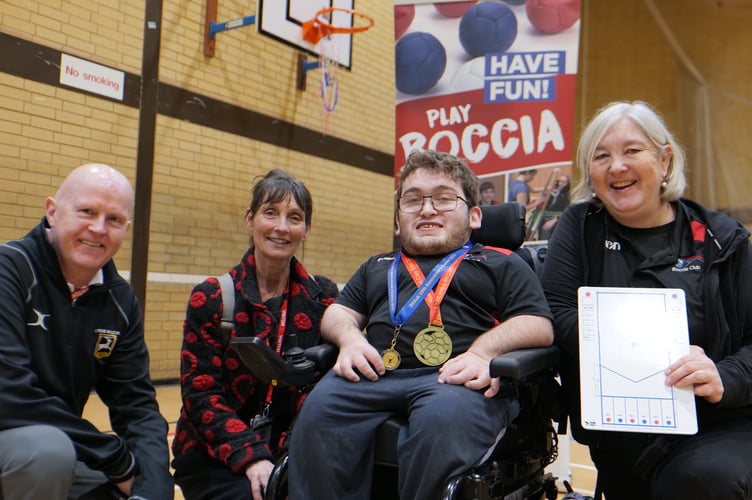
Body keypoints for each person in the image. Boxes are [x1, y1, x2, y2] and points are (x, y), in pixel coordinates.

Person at [288, 149, 554, 500]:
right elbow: (339, 314)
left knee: (441, 421)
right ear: (398, 221)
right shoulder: (378, 265)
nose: (427, 209)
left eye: (444, 198)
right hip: (376, 374)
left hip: (455, 379)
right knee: (319, 411)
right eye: (413, 200)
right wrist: (350, 340)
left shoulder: (499, 262)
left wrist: (484, 352)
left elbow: (538, 323)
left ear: (474, 216)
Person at [541, 101, 752, 499]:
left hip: (720, 422)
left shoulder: (722, 239)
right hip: (625, 429)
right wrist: (650, 356)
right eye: (600, 156)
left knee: (701, 480)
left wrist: (724, 376)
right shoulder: (580, 227)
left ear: (665, 159)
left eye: (632, 150)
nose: (616, 166)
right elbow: (556, 313)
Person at [0, 163, 173, 499]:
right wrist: (115, 458)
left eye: (114, 219)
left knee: (141, 476)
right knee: (49, 454)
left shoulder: (120, 300)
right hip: (24, 442)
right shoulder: (10, 269)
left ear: (126, 227)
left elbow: (137, 406)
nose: (98, 228)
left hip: (60, 442)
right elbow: (7, 395)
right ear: (52, 212)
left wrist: (153, 489)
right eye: (87, 211)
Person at [171, 169, 339, 500]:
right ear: (250, 219)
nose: (281, 227)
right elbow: (200, 395)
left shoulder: (323, 298)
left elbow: (320, 391)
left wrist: (290, 456)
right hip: (212, 450)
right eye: (270, 212)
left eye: (295, 218)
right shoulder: (212, 297)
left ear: (306, 230)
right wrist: (251, 456)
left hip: (290, 449)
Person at [539, 174, 571, 239]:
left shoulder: (567, 197)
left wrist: (555, 220)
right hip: (546, 217)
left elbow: (565, 212)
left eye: (564, 182)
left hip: (556, 219)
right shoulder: (553, 193)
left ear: (567, 184)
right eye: (560, 181)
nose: (561, 184)